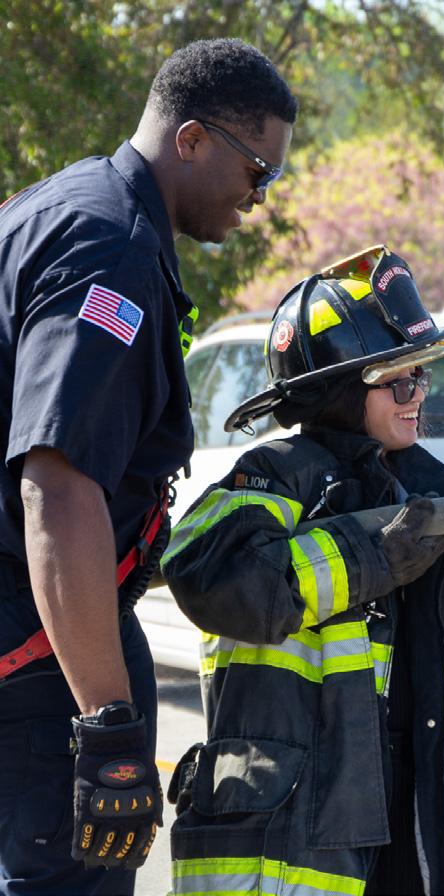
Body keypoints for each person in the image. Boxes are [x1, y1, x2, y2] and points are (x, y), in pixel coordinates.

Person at [162, 245, 444, 896]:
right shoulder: (272, 478)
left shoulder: (431, 490)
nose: (418, 396)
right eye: (400, 381)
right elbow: (213, 577)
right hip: (290, 843)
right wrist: (371, 556)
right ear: (338, 390)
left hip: (416, 831)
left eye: (421, 377)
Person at [0, 37, 297, 895]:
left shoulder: (54, 203)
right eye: (258, 171)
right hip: (39, 653)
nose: (259, 198)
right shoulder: (113, 253)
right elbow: (57, 486)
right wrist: (107, 724)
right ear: (191, 139)